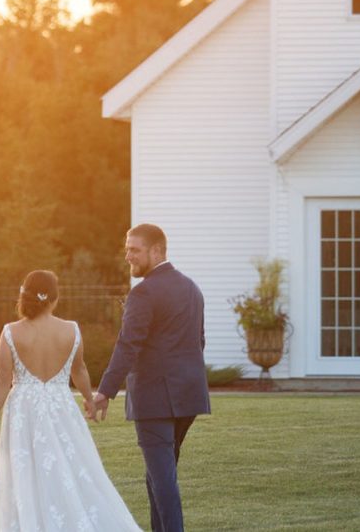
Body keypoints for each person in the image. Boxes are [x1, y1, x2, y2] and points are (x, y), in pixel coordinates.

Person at [0, 270, 142, 532]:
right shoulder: (71, 330)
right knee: (71, 466)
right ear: (54, 298)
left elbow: (2, 379)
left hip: (23, 409)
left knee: (26, 473)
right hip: (61, 406)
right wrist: (90, 399)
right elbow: (79, 370)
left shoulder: (11, 332)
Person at [93, 224, 210, 532]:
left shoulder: (143, 292)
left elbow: (128, 344)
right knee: (158, 476)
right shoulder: (192, 288)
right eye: (127, 248)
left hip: (156, 399)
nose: (128, 255)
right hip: (189, 396)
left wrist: (105, 391)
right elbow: (199, 341)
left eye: (135, 249)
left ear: (156, 250)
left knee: (162, 481)